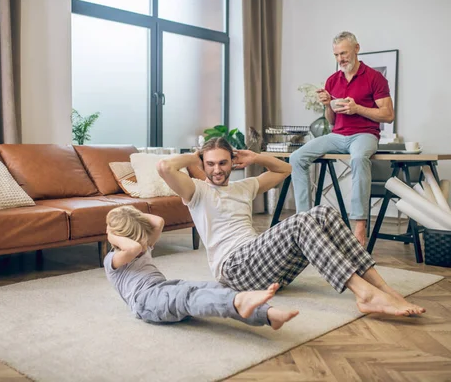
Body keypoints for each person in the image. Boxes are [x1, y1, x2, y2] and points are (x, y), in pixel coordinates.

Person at [157, 138, 425, 317]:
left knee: (322, 212)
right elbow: (164, 167)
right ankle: (365, 294)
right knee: (300, 222)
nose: (217, 169)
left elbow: (286, 169)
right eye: (211, 163)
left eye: (223, 162)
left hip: (264, 267)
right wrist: (195, 156)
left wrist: (256, 157)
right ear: (203, 165)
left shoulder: (244, 186)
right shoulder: (197, 191)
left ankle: (383, 289)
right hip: (234, 270)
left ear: (233, 162)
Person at [103, 205, 299, 330]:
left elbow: (158, 222)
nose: (144, 245)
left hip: (164, 286)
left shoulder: (140, 247)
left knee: (212, 288)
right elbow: (134, 247)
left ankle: (267, 314)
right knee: (192, 298)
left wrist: (129, 213)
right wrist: (110, 234)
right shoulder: (114, 260)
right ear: (121, 240)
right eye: (138, 240)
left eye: (144, 238)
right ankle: (238, 301)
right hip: (145, 301)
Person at [290, 31, 395, 246]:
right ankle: (304, 221)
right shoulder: (332, 80)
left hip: (365, 135)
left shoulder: (375, 78)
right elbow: (330, 120)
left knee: (358, 159)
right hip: (337, 135)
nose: (340, 59)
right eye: (336, 55)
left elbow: (388, 115)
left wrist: (357, 108)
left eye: (344, 53)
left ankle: (359, 226)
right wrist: (327, 104)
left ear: (357, 49)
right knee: (296, 158)